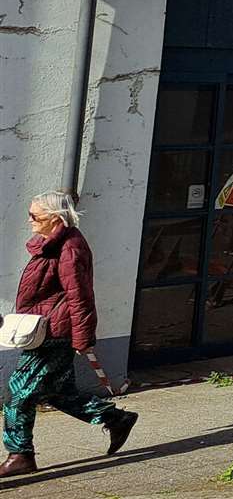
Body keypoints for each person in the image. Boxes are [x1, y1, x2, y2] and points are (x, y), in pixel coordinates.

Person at [2, 190, 137, 478]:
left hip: (54, 331)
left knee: (18, 393)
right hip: (46, 327)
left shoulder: (69, 249)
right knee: (57, 392)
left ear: (54, 217)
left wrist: (82, 338)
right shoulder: (51, 243)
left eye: (34, 215)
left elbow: (80, 295)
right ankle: (115, 418)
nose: (29, 220)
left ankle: (20, 455)